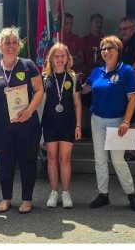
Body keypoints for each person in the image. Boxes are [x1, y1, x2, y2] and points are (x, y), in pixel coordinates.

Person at [0, 27, 44, 214]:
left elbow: (39, 90)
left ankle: (27, 200)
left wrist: (29, 111)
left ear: (18, 45)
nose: (11, 46)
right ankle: (6, 199)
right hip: (1, 127)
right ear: (0, 45)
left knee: (27, 161)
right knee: (5, 162)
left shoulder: (28, 65)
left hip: (27, 124)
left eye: (14, 42)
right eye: (7, 42)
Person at [82, 36, 135, 212]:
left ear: (118, 51)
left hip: (117, 122)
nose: (106, 52)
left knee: (117, 160)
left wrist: (126, 121)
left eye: (110, 48)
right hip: (97, 120)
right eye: (103, 49)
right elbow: (84, 89)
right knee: (100, 159)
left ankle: (131, 194)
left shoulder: (127, 71)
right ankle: (103, 194)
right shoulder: (97, 72)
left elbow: (133, 98)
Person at [41, 43, 82, 209]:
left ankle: (65, 192)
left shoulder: (73, 78)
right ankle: (53, 192)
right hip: (49, 124)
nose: (59, 59)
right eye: (56, 56)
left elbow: (78, 104)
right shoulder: (44, 78)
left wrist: (78, 125)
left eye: (62, 56)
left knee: (65, 158)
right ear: (51, 58)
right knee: (51, 158)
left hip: (67, 123)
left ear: (67, 58)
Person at [80, 13, 105, 77]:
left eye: (101, 22)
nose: (99, 25)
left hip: (103, 73)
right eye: (96, 22)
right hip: (87, 74)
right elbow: (80, 60)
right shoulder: (84, 40)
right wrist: (89, 70)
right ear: (91, 22)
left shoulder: (105, 40)